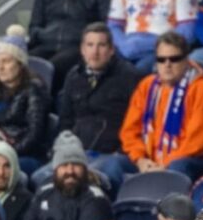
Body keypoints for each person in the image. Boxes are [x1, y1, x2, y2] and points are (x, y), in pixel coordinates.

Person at [115, 32, 203, 183]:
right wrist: (140, 159)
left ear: (186, 60)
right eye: (161, 59)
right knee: (112, 165)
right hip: (148, 160)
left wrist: (165, 164)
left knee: (178, 166)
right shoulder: (146, 86)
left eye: (174, 59)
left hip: (189, 161)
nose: (167, 64)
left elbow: (198, 142)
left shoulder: (201, 90)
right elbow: (130, 131)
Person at [57, 22, 142, 191]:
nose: (95, 52)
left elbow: (139, 122)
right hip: (78, 153)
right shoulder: (74, 76)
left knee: (102, 174)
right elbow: (65, 121)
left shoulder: (129, 76)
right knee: (41, 177)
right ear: (82, 49)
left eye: (101, 45)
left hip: (113, 153)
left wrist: (119, 152)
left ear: (111, 50)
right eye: (90, 45)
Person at [0, 25, 51, 175]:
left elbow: (34, 135)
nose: (0, 67)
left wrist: (6, 153)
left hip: (22, 154)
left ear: (20, 64)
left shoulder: (34, 90)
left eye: (6, 61)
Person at [21, 131, 113, 220]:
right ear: (55, 169)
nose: (70, 171)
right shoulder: (43, 192)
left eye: (76, 165)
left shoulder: (96, 199)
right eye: (64, 165)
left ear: (85, 168)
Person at [28, 0, 111, 94]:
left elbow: (105, 25)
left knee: (51, 67)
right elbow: (35, 24)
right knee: (20, 65)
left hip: (77, 46)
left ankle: (44, 108)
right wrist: (40, 35)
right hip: (46, 42)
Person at [107, 0, 198, 73]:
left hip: (162, 48)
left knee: (137, 72)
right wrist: (124, 45)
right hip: (126, 46)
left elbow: (188, 32)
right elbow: (113, 25)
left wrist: (152, 44)